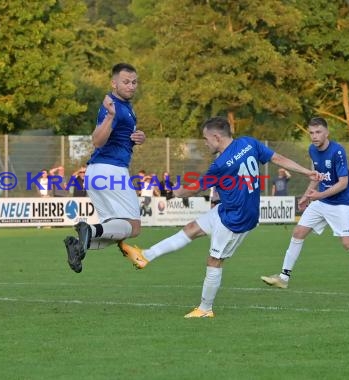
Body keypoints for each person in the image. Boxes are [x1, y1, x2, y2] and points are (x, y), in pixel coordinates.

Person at [119, 116, 320, 318]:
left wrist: (173, 193)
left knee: (214, 260)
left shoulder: (221, 164)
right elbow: (278, 159)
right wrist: (306, 172)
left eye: (206, 139)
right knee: (191, 229)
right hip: (227, 209)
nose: (205, 144)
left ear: (216, 137)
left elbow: (196, 188)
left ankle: (205, 309)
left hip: (236, 219)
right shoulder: (249, 143)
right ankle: (146, 255)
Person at [261, 117, 349, 292]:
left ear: (327, 132)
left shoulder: (338, 151)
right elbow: (317, 176)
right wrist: (307, 196)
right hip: (322, 201)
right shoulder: (312, 150)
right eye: (311, 133)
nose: (314, 136)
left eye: (318, 132)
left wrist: (319, 195)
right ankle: (283, 278)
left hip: (342, 203)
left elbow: (343, 183)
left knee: (348, 242)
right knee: (298, 232)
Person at [63, 62, 146, 273]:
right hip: (111, 171)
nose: (131, 86)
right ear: (114, 83)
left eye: (134, 82)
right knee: (133, 227)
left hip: (96, 173)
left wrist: (137, 137)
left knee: (114, 230)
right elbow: (97, 140)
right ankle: (88, 229)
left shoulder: (126, 108)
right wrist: (109, 116)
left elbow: (117, 138)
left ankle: (79, 245)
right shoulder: (113, 107)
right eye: (125, 82)